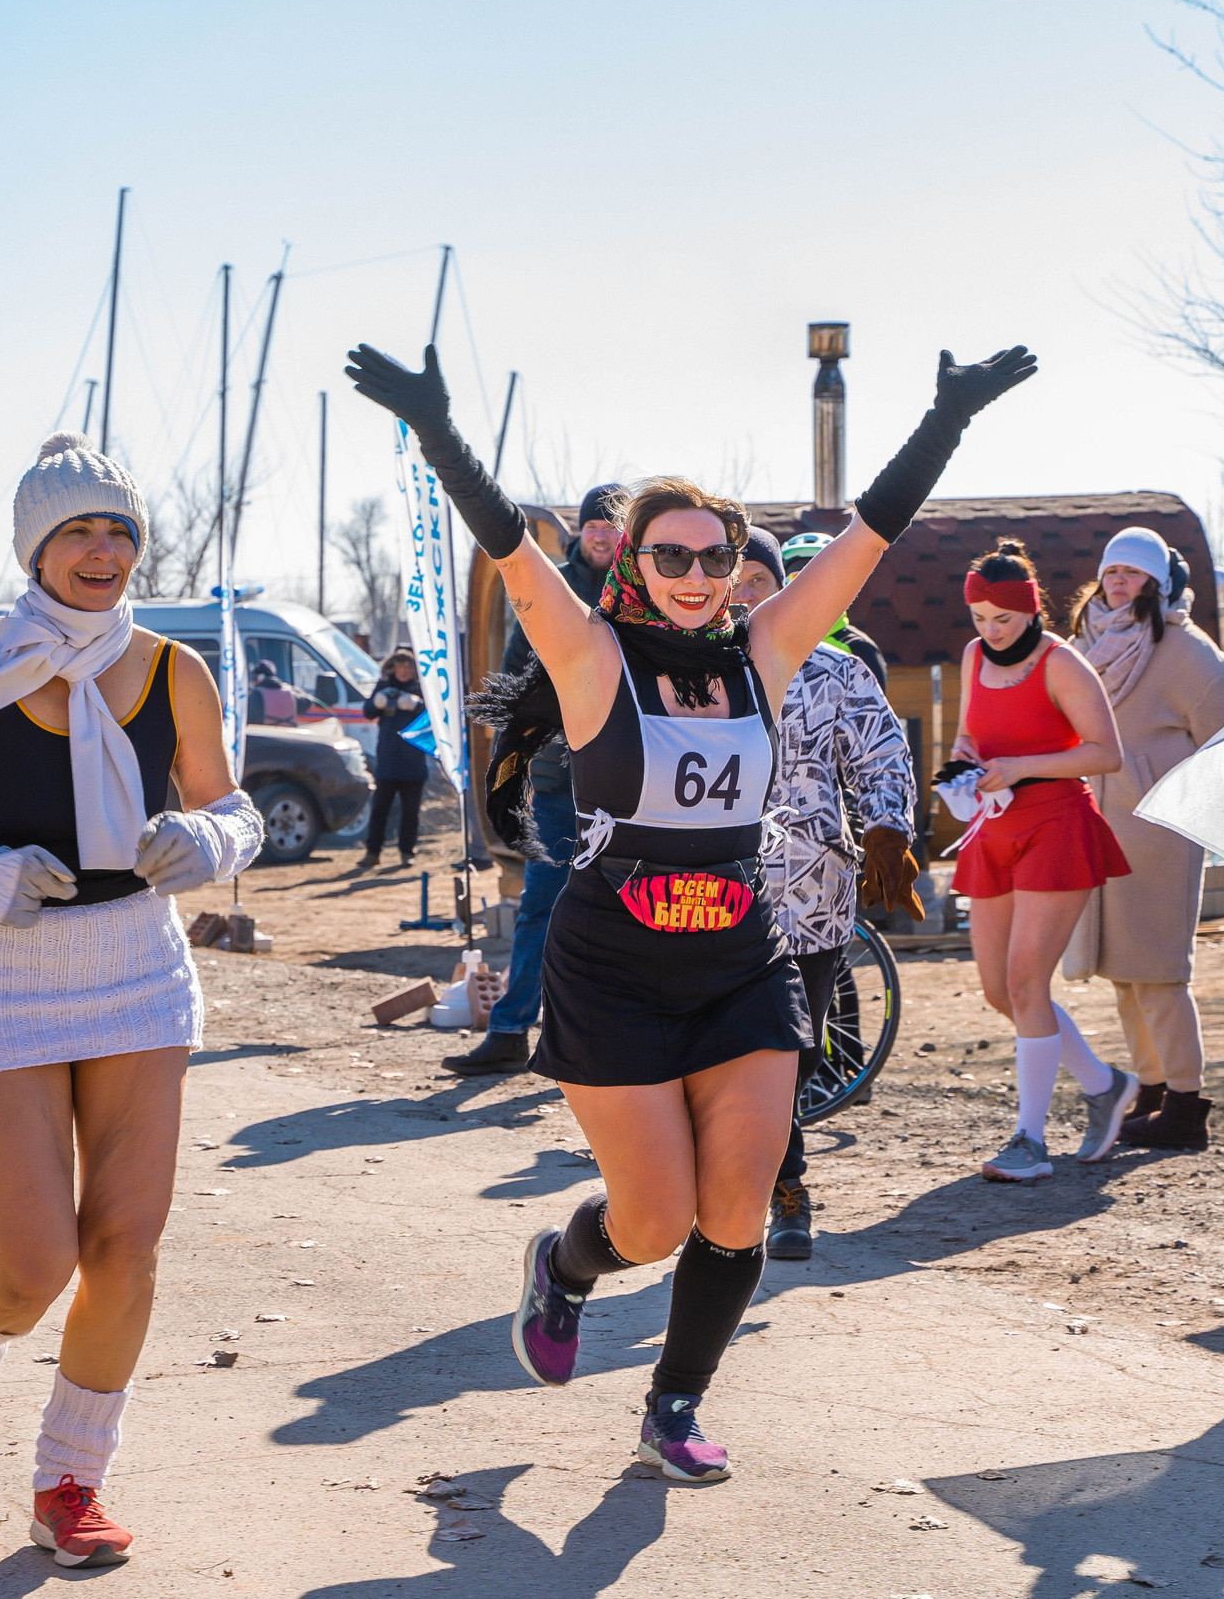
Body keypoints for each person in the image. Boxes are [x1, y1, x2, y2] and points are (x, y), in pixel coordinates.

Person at [353, 334, 1037, 1480]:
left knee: (739, 1208)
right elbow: (506, 544)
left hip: (738, 957)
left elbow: (873, 532)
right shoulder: (588, 653)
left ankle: (673, 1404)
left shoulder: (763, 654)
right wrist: (435, 426)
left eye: (716, 554)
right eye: (671, 553)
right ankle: (565, 1270)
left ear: (737, 566)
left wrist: (945, 419)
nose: (695, 571)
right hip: (613, 964)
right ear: (635, 562)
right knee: (653, 1221)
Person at [0, 432, 264, 1566]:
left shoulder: (176, 671)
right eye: (78, 529)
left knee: (124, 1247)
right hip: (1, 971)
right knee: (31, 1263)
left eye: (121, 529)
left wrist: (203, 836)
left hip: (137, 962)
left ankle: (69, 1483)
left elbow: (237, 808)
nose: (103, 549)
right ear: (36, 549)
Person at [732, 528, 918, 1259]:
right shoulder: (691, 671)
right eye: (733, 576)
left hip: (814, 891)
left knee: (798, 1054)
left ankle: (759, 1175)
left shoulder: (836, 670)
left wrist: (886, 830)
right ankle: (784, 1192)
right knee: (753, 1052)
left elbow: (881, 752)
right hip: (714, 890)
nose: (745, 591)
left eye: (758, 578)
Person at [946, 540, 1138, 1183]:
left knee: (1028, 984)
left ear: (1029, 611)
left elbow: (1106, 753)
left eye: (1002, 618)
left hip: (1058, 826)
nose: (989, 631)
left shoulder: (1062, 663)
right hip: (994, 828)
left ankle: (1029, 1141)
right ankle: (1104, 1084)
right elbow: (969, 737)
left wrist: (1023, 768)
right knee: (1001, 990)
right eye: (979, 618)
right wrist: (959, 770)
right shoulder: (973, 657)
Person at [1065, 527, 1224, 1150]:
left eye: (1133, 573)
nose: (1118, 582)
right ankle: (1153, 1089)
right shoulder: (1086, 645)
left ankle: (1188, 1107)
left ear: (1159, 583)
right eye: (1111, 570)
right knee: (1124, 973)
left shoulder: (1194, 656)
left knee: (1161, 974)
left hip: (1160, 833)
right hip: (1097, 827)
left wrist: (1167, 796)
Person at [453, 483, 630, 1076]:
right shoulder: (548, 584)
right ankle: (508, 1030)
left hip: (632, 780)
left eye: (615, 525)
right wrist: (515, 760)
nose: (605, 534)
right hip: (560, 777)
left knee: (629, 911)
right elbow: (514, 675)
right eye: (596, 525)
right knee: (541, 908)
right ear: (581, 531)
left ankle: (610, 1037)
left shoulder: (643, 585)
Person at [777, 531, 890, 688]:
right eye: (797, 579)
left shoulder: (861, 651)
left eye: (821, 578)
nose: (808, 588)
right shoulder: (770, 642)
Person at [359, 647, 429, 868]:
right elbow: (368, 712)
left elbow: (433, 716)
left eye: (408, 666)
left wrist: (417, 705)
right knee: (380, 808)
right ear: (392, 668)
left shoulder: (421, 688)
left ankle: (407, 852)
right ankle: (373, 852)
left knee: (410, 811)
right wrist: (377, 701)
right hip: (388, 761)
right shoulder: (384, 687)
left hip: (413, 761)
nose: (404, 670)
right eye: (400, 666)